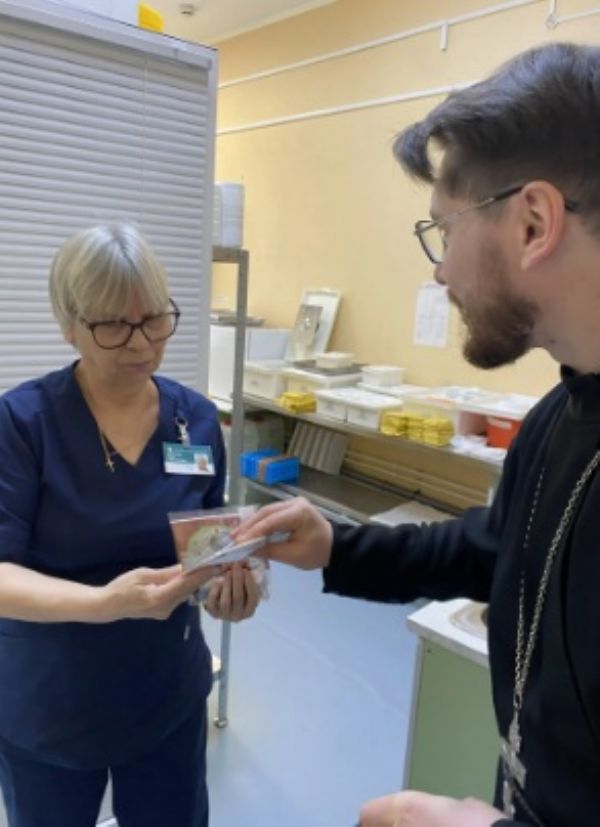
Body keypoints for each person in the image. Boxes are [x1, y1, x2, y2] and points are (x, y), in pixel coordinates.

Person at [233, 42, 600, 827]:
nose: (438, 271)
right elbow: (492, 549)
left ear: (533, 222)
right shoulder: (554, 421)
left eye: (444, 230)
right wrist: (337, 545)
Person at [0, 223, 259, 827]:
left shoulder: (194, 419)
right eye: (114, 325)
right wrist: (105, 603)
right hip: (52, 704)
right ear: (69, 325)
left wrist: (228, 589)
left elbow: (206, 546)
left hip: (166, 694)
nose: (142, 344)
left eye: (155, 319)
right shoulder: (22, 425)